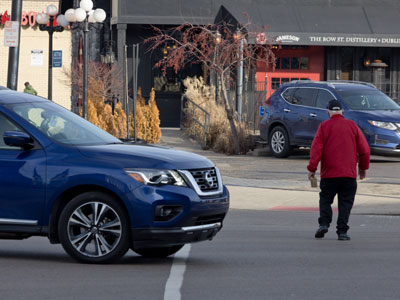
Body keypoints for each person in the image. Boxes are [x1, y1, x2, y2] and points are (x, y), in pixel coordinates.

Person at [307, 99, 370, 241]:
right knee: (345, 203)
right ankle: (342, 232)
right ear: (342, 111)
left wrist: (312, 168)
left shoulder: (324, 127)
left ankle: (324, 223)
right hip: (348, 175)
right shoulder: (352, 126)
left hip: (329, 174)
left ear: (328, 112)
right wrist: (363, 168)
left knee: (325, 199)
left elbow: (316, 150)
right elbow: (365, 150)